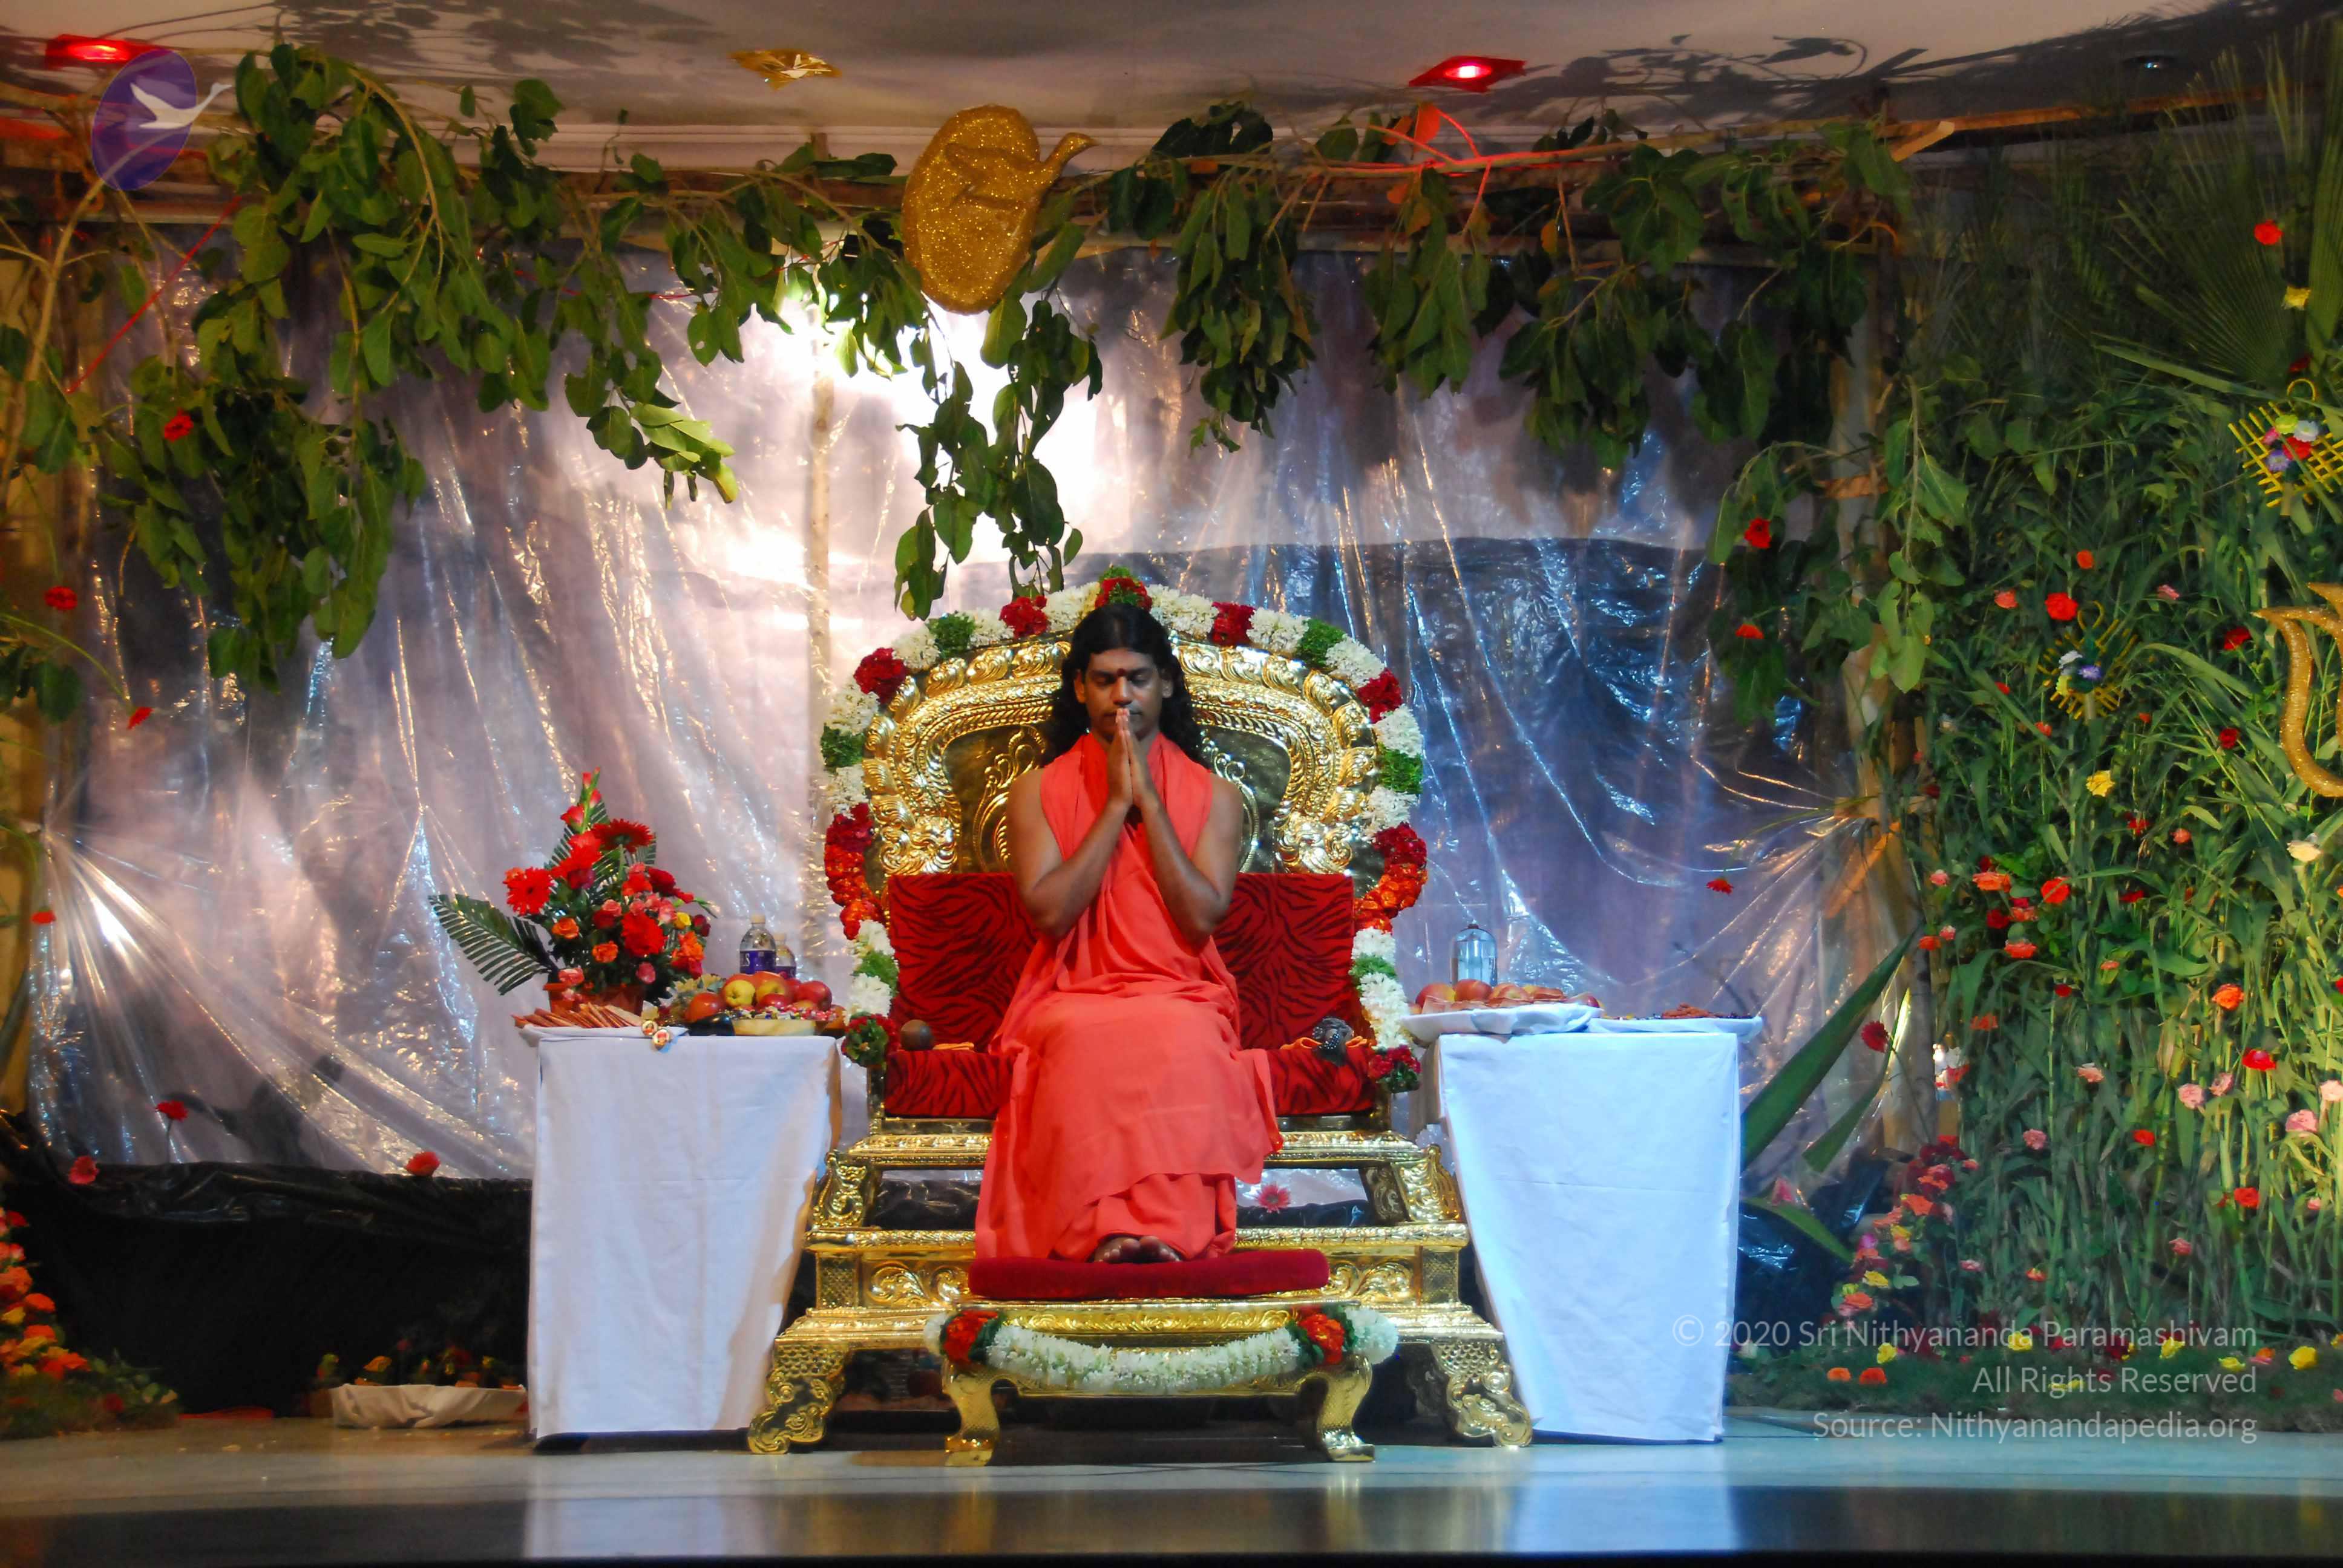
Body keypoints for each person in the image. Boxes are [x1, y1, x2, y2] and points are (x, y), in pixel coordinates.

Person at [974, 599, 1282, 1264]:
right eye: (1105, 679)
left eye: (1137, 678)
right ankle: (1101, 1232)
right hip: (1073, 993)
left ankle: (1169, 1232)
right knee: (1082, 1035)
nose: (1122, 696)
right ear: (1080, 688)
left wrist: (1152, 806)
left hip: (1181, 990)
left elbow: (1200, 916)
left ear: (1165, 683)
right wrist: (1115, 805)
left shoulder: (1216, 795)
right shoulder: (1035, 792)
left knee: (1185, 1034)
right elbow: (1050, 914)